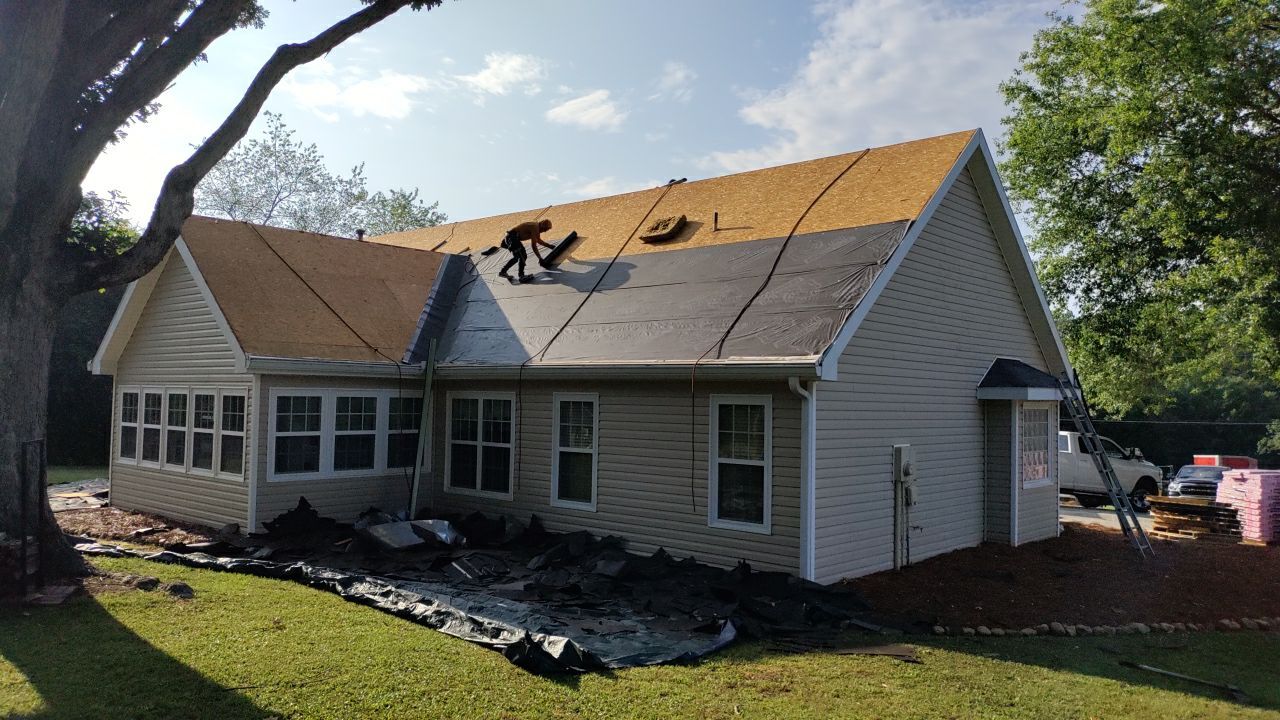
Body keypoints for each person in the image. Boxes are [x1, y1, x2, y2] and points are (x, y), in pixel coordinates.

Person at [499, 218, 555, 283]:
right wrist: (540, 258)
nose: (545, 231)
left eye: (546, 230)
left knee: (518, 256)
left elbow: (539, 241)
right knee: (522, 255)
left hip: (510, 238)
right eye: (545, 229)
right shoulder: (535, 228)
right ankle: (521, 276)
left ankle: (504, 272)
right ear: (542, 226)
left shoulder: (536, 227)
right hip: (512, 238)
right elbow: (533, 245)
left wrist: (550, 246)